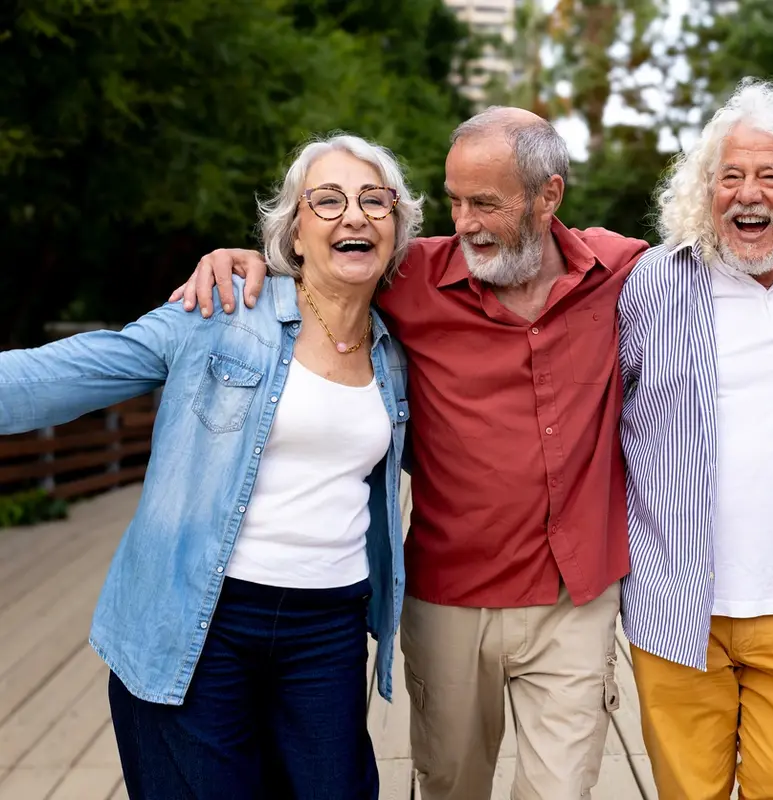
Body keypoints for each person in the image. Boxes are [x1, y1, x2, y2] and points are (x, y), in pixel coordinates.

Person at [172, 108, 648, 800]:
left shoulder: (622, 269)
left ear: (549, 196)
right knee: (451, 784)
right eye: (454, 200)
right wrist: (244, 259)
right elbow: (323, 275)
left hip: (574, 600)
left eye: (485, 202)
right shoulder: (409, 280)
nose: (463, 222)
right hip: (449, 597)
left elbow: (720, 258)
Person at [0, 133, 419, 799]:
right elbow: (62, 375)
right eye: (329, 200)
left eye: (375, 201)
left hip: (329, 631)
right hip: (202, 622)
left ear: (397, 230)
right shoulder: (223, 315)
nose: (355, 215)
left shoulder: (398, 354)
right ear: (295, 231)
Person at [617, 79, 773, 798]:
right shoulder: (651, 286)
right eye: (729, 176)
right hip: (676, 604)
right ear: (706, 190)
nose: (748, 193)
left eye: (770, 176)